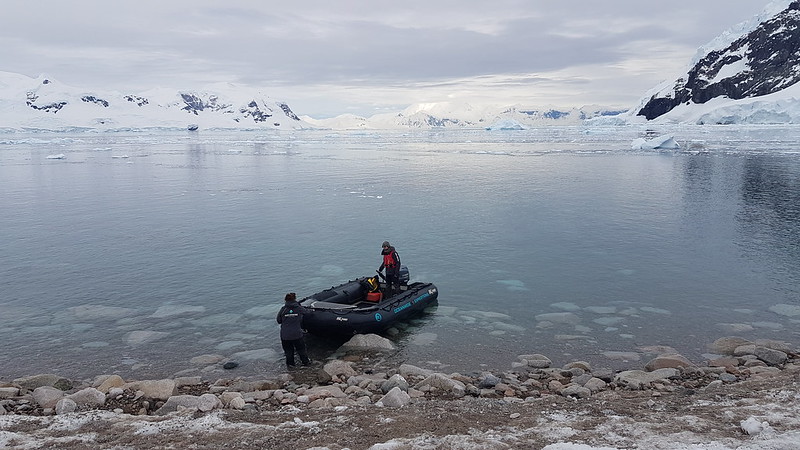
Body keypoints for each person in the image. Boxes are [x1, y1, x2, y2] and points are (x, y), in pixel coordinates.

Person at [276, 292, 311, 367]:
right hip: (297, 334)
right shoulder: (298, 308)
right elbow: (307, 312)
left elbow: (278, 320)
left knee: (288, 352)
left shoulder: (283, 309)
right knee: (301, 350)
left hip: (285, 335)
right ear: (295, 299)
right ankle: (306, 363)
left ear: (285, 300)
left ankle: (291, 366)